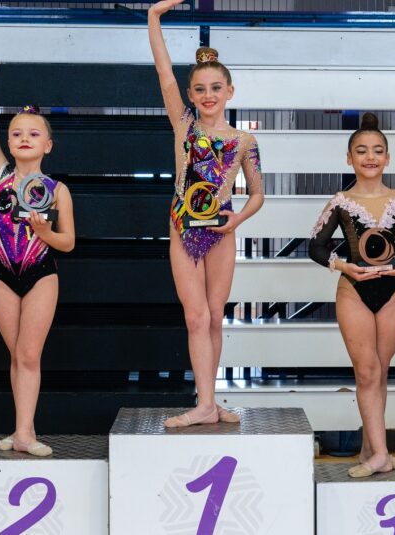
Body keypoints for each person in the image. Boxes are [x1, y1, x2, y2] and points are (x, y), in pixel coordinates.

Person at [149, 0, 265, 427]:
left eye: (216, 87)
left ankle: (210, 402)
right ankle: (202, 404)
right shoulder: (184, 125)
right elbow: (164, 73)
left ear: (230, 92)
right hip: (183, 226)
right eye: (200, 89)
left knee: (215, 316)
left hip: (222, 228)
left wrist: (238, 220)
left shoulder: (243, 142)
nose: (208, 95)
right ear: (191, 94)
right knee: (195, 316)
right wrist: (153, 19)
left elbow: (257, 194)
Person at [309, 112, 395, 477]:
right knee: (366, 372)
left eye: (378, 150)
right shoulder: (341, 202)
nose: (370, 156)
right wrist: (344, 266)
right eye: (361, 151)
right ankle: (382, 454)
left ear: (388, 158)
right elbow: (314, 246)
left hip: (392, 291)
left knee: (381, 374)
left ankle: (368, 450)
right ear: (350, 159)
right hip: (354, 291)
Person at [0, 64, 77, 456]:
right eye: (16, 133)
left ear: (48, 144)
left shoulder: (57, 189)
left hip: (39, 273)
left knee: (29, 354)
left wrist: (45, 233)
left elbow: (68, 242)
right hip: (0, 271)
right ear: (8, 142)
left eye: (34, 134)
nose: (23, 138)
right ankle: (20, 431)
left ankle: (26, 433)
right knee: (16, 354)